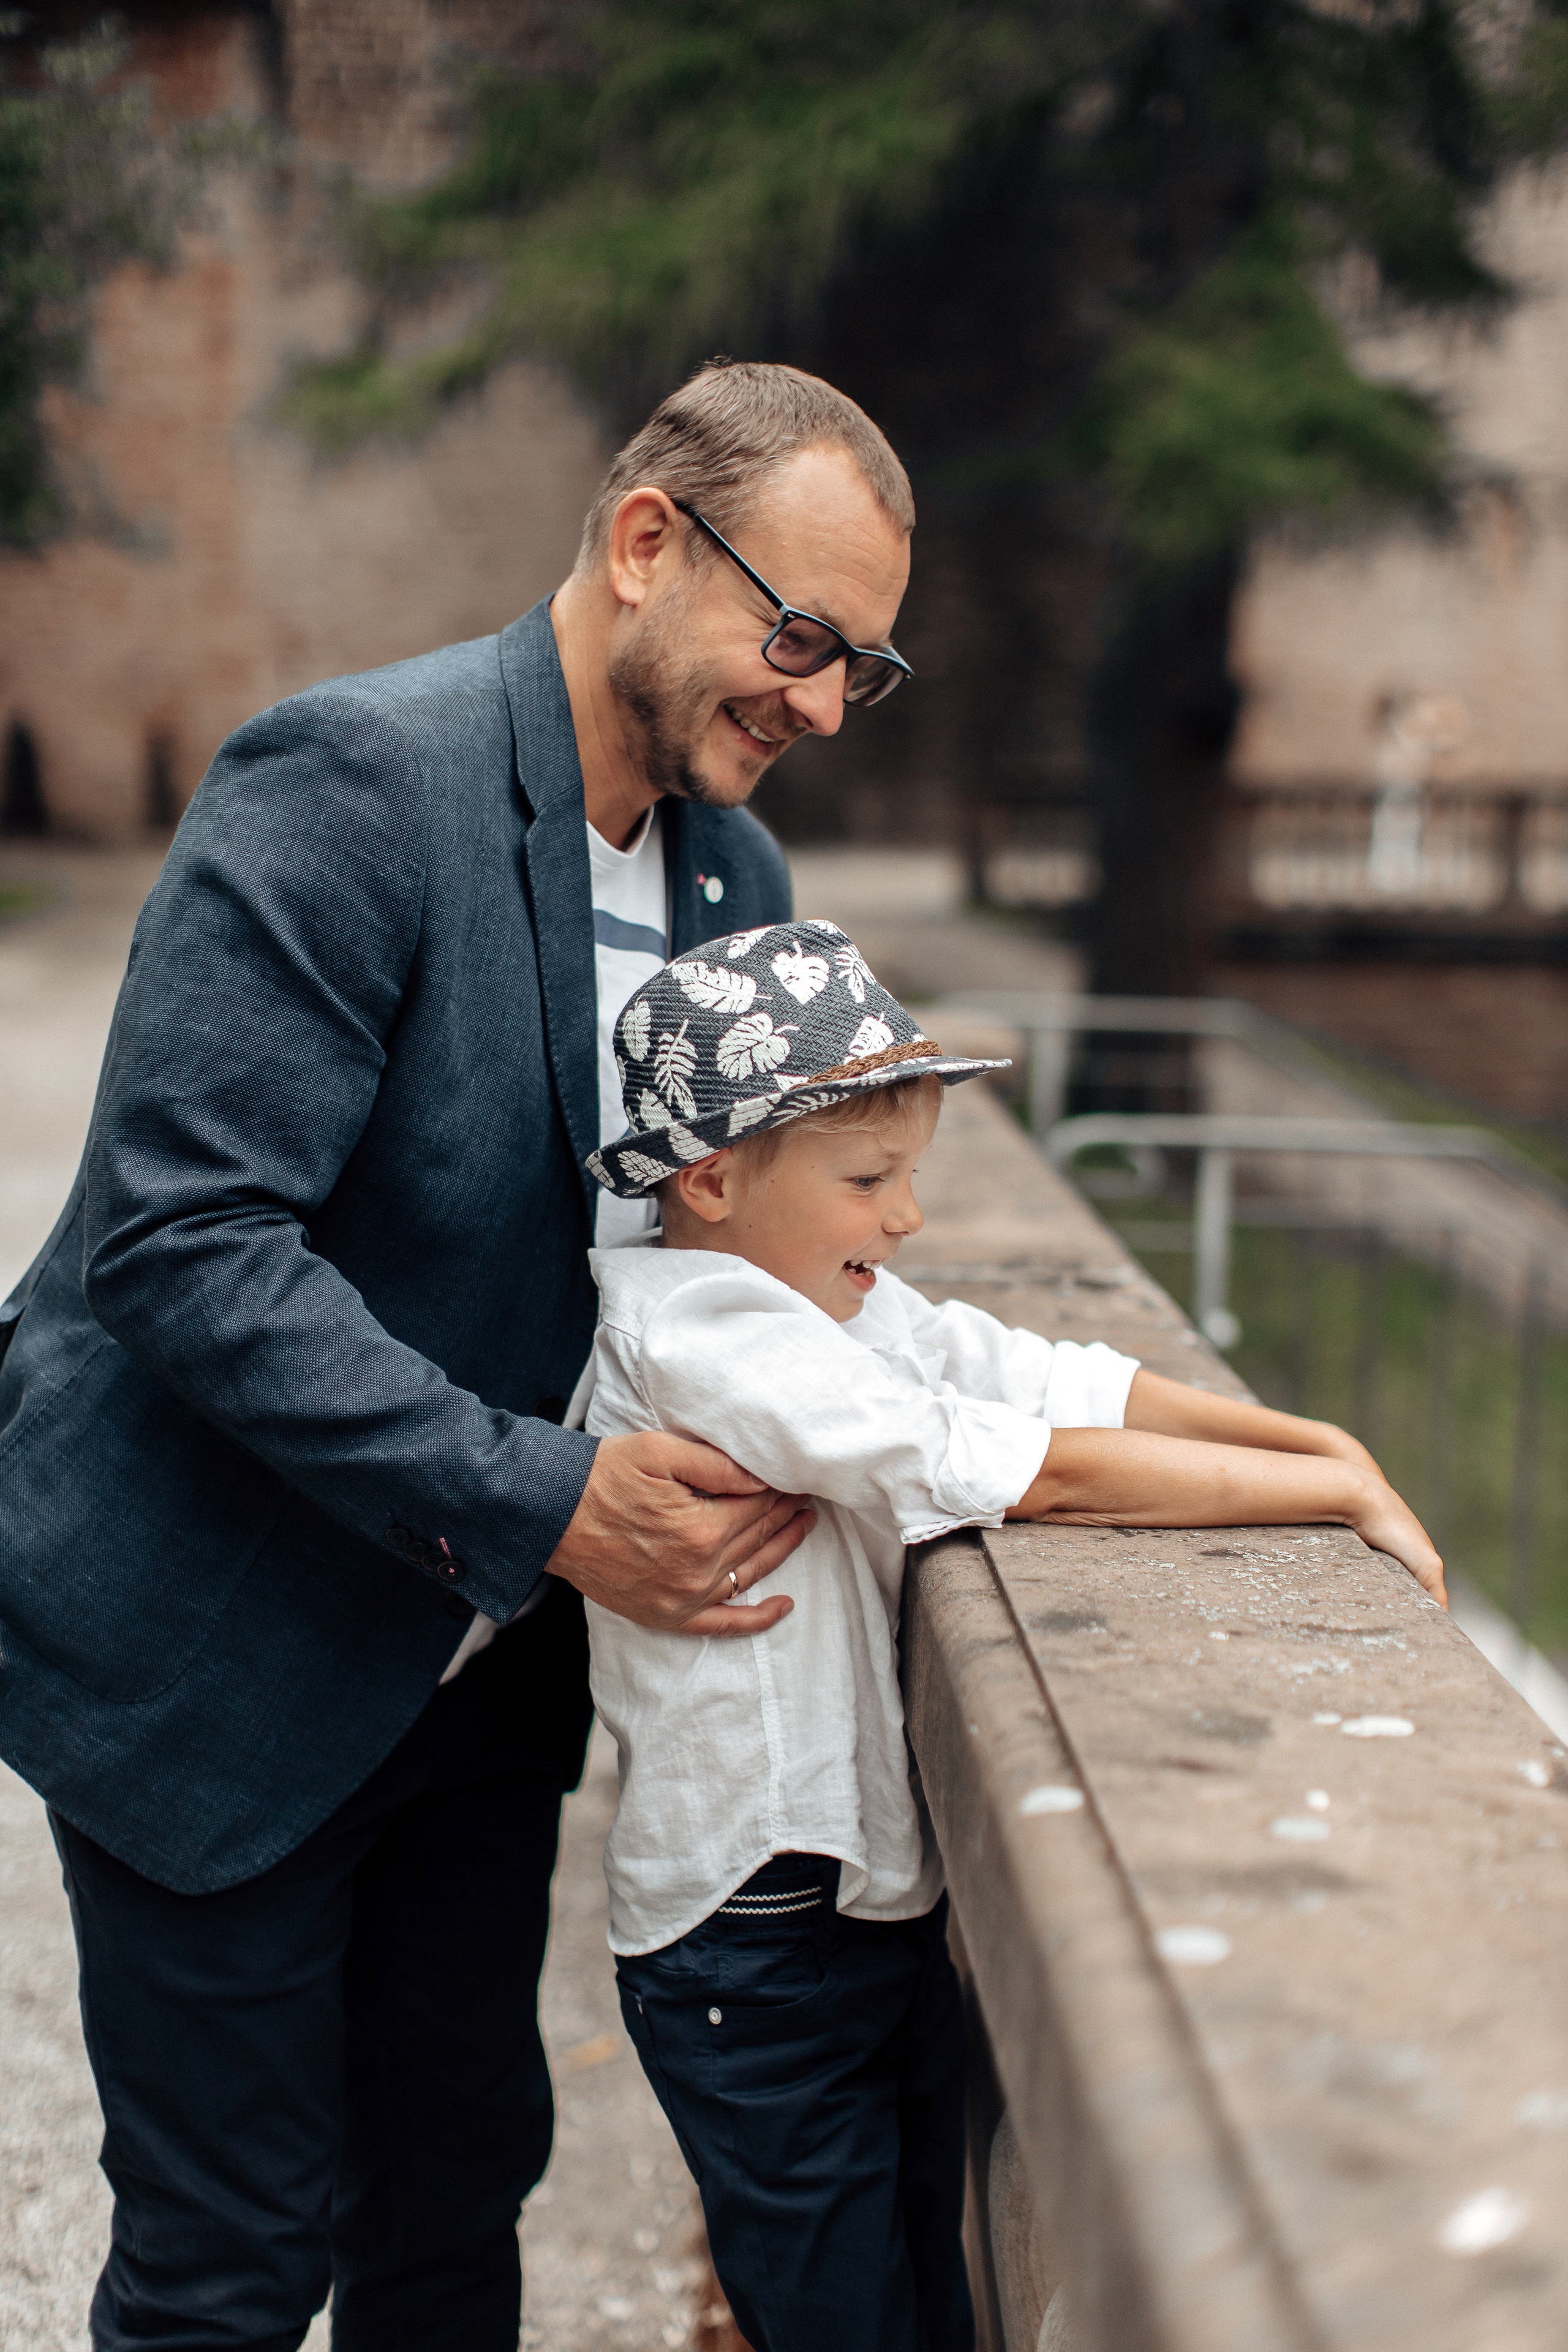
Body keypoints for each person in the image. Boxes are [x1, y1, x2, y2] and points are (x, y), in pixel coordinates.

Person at [0, 362, 919, 2351]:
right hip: (208, 1640)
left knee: (451, 2201)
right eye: (804, 637)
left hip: (482, 1675)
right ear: (648, 541)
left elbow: (758, 1243)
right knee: (227, 2258)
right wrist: (551, 1499)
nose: (829, 704)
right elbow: (184, 1246)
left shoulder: (731, 885)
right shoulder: (348, 783)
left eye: (867, 665)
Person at [576, 920, 1446, 2352]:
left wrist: (1319, 1436)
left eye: (908, 1176)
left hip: (859, 1914)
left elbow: (1050, 1379)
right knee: (848, 2318)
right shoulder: (708, 1337)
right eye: (869, 1180)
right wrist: (1329, 1493)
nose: (904, 1217)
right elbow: (1021, 1466)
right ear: (714, 1180)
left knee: (933, 2290)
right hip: (748, 1942)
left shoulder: (817, 1299)